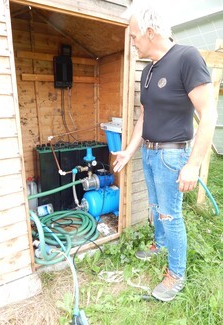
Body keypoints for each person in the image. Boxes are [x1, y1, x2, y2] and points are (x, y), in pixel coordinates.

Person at [112, 6, 217, 302]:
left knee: (171, 215)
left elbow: (208, 113)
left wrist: (193, 165)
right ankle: (160, 244)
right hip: (149, 152)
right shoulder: (148, 70)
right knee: (157, 205)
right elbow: (144, 116)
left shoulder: (187, 57)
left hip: (172, 156)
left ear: (149, 32)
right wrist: (130, 150)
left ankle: (176, 274)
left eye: (134, 36)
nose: (132, 42)